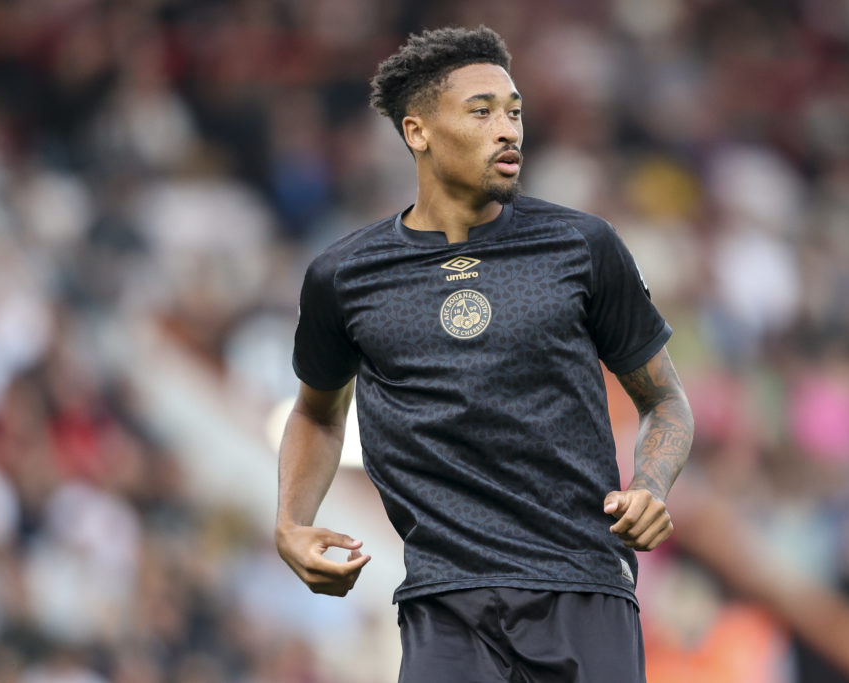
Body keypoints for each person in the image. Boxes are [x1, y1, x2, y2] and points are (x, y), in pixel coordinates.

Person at [275, 25, 694, 682]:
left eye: (515, 111)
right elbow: (318, 413)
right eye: (482, 111)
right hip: (446, 600)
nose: (509, 130)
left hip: (583, 583)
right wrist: (291, 521)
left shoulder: (582, 246)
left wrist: (650, 483)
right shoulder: (345, 276)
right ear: (418, 132)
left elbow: (665, 397)